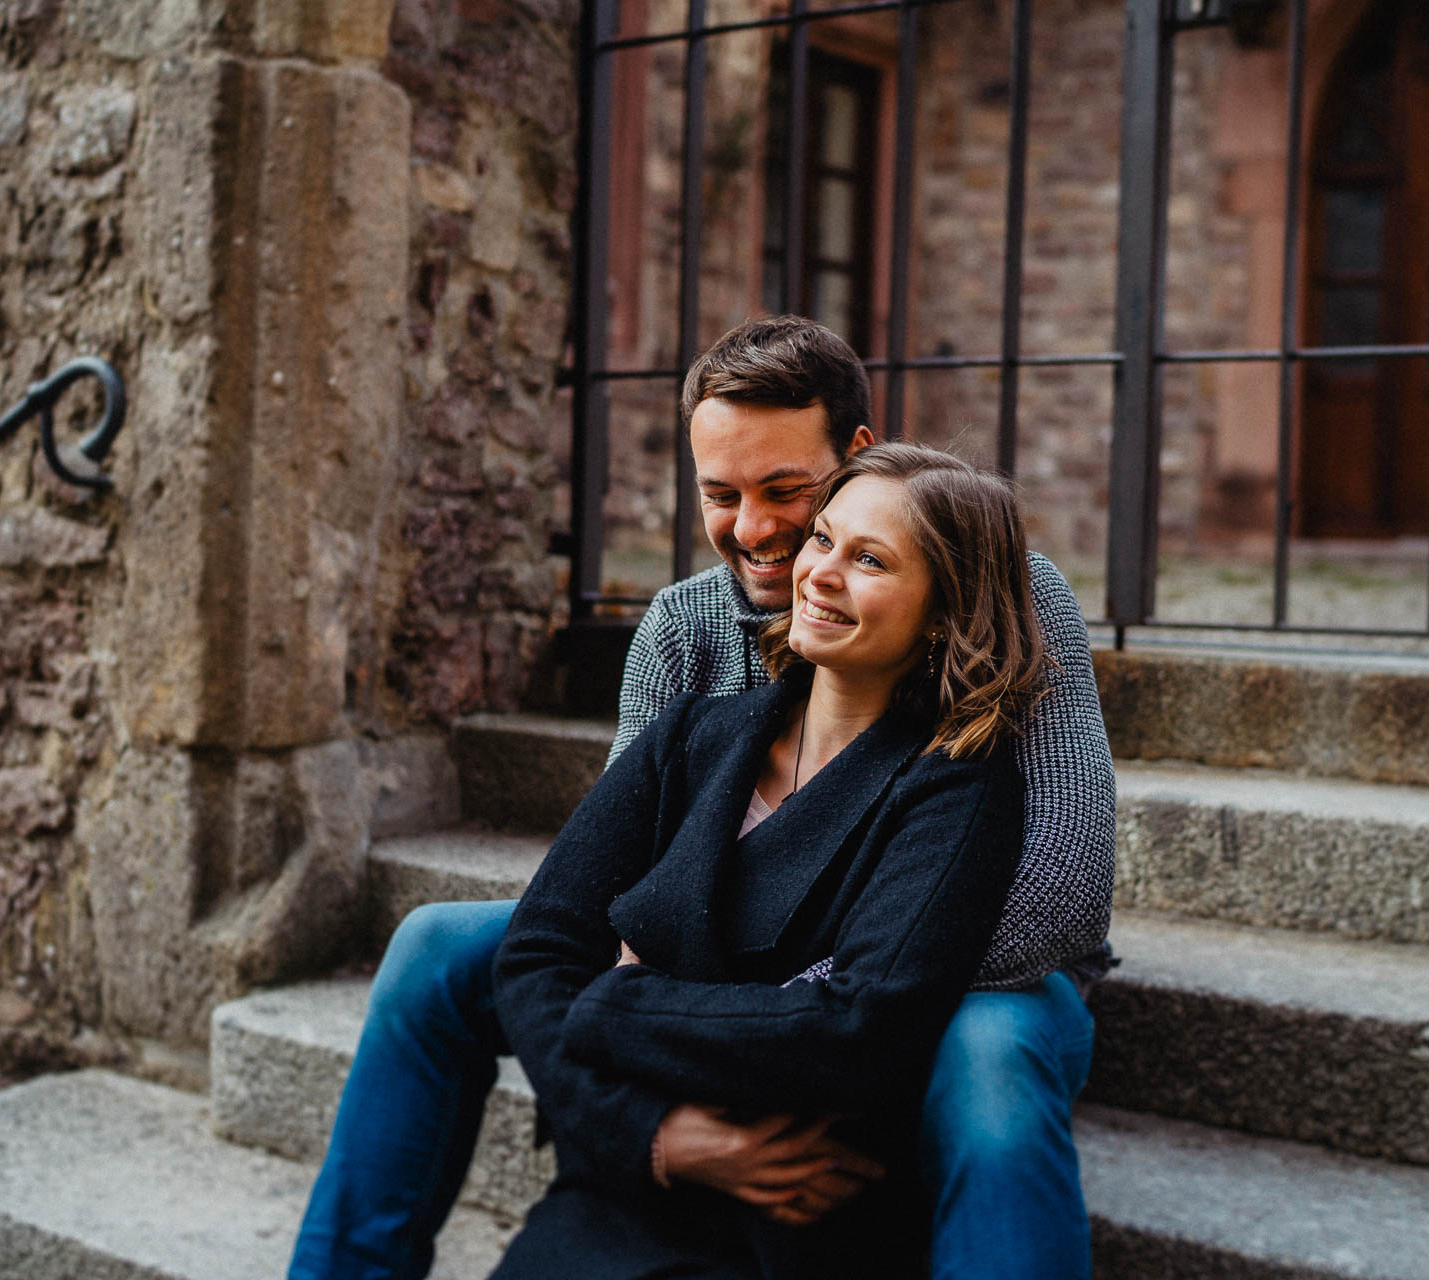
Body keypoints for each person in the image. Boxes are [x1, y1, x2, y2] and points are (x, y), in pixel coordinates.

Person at [289, 316, 1115, 1280]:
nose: (758, 530)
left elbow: (1060, 888)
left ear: (855, 459)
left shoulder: (996, 583)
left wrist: (784, 995)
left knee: (990, 1071)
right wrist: (648, 1126)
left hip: (967, 967)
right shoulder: (681, 630)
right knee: (437, 947)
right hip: (720, 954)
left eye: (785, 491)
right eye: (721, 495)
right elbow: (612, 887)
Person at [489, 443, 1041, 1279]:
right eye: (823, 539)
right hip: (619, 1192)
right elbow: (537, 955)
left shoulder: (956, 787)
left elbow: (861, 1031)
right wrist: (658, 1139)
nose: (820, 573)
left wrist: (616, 998)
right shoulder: (690, 737)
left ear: (942, 611)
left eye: (870, 560)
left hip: (789, 1223)